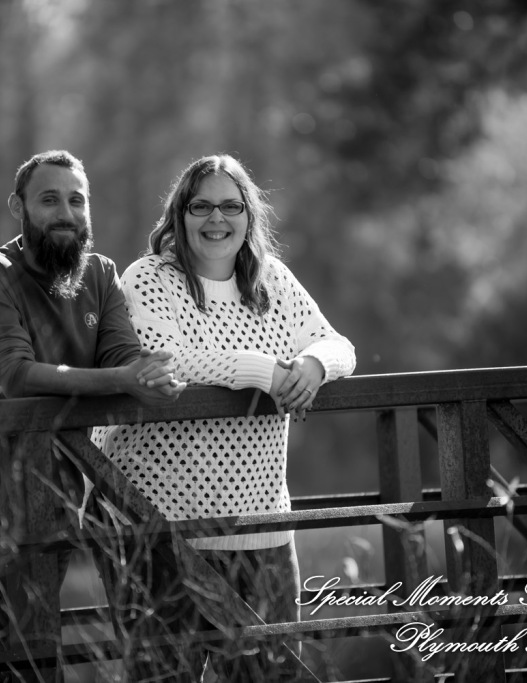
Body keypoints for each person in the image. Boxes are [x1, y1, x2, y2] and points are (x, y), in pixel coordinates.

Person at [93, 154, 357, 681]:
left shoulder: (272, 281)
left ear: (249, 216)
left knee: (275, 675)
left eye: (231, 206)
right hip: (160, 531)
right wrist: (263, 370)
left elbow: (340, 346)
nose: (217, 219)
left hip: (262, 526)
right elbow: (164, 359)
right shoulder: (149, 279)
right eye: (202, 206)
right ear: (179, 216)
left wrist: (311, 364)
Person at [0, 150, 186, 683]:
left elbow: (121, 353)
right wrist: (122, 382)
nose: (66, 213)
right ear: (18, 207)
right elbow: (16, 375)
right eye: (49, 199)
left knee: (17, 651)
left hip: (60, 491)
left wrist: (148, 373)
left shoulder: (98, 274)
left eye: (77, 200)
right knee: (21, 645)